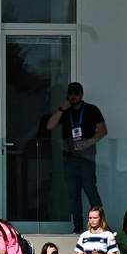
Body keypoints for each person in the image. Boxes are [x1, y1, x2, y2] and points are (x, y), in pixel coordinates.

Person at [46, 82, 106, 230]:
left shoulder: (91, 109)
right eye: (70, 94)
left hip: (87, 157)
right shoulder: (65, 112)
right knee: (73, 192)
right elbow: (49, 126)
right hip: (69, 157)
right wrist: (61, 109)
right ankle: (77, 226)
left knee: (90, 189)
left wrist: (88, 142)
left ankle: (100, 224)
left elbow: (103, 130)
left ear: (81, 95)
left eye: (76, 94)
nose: (73, 97)